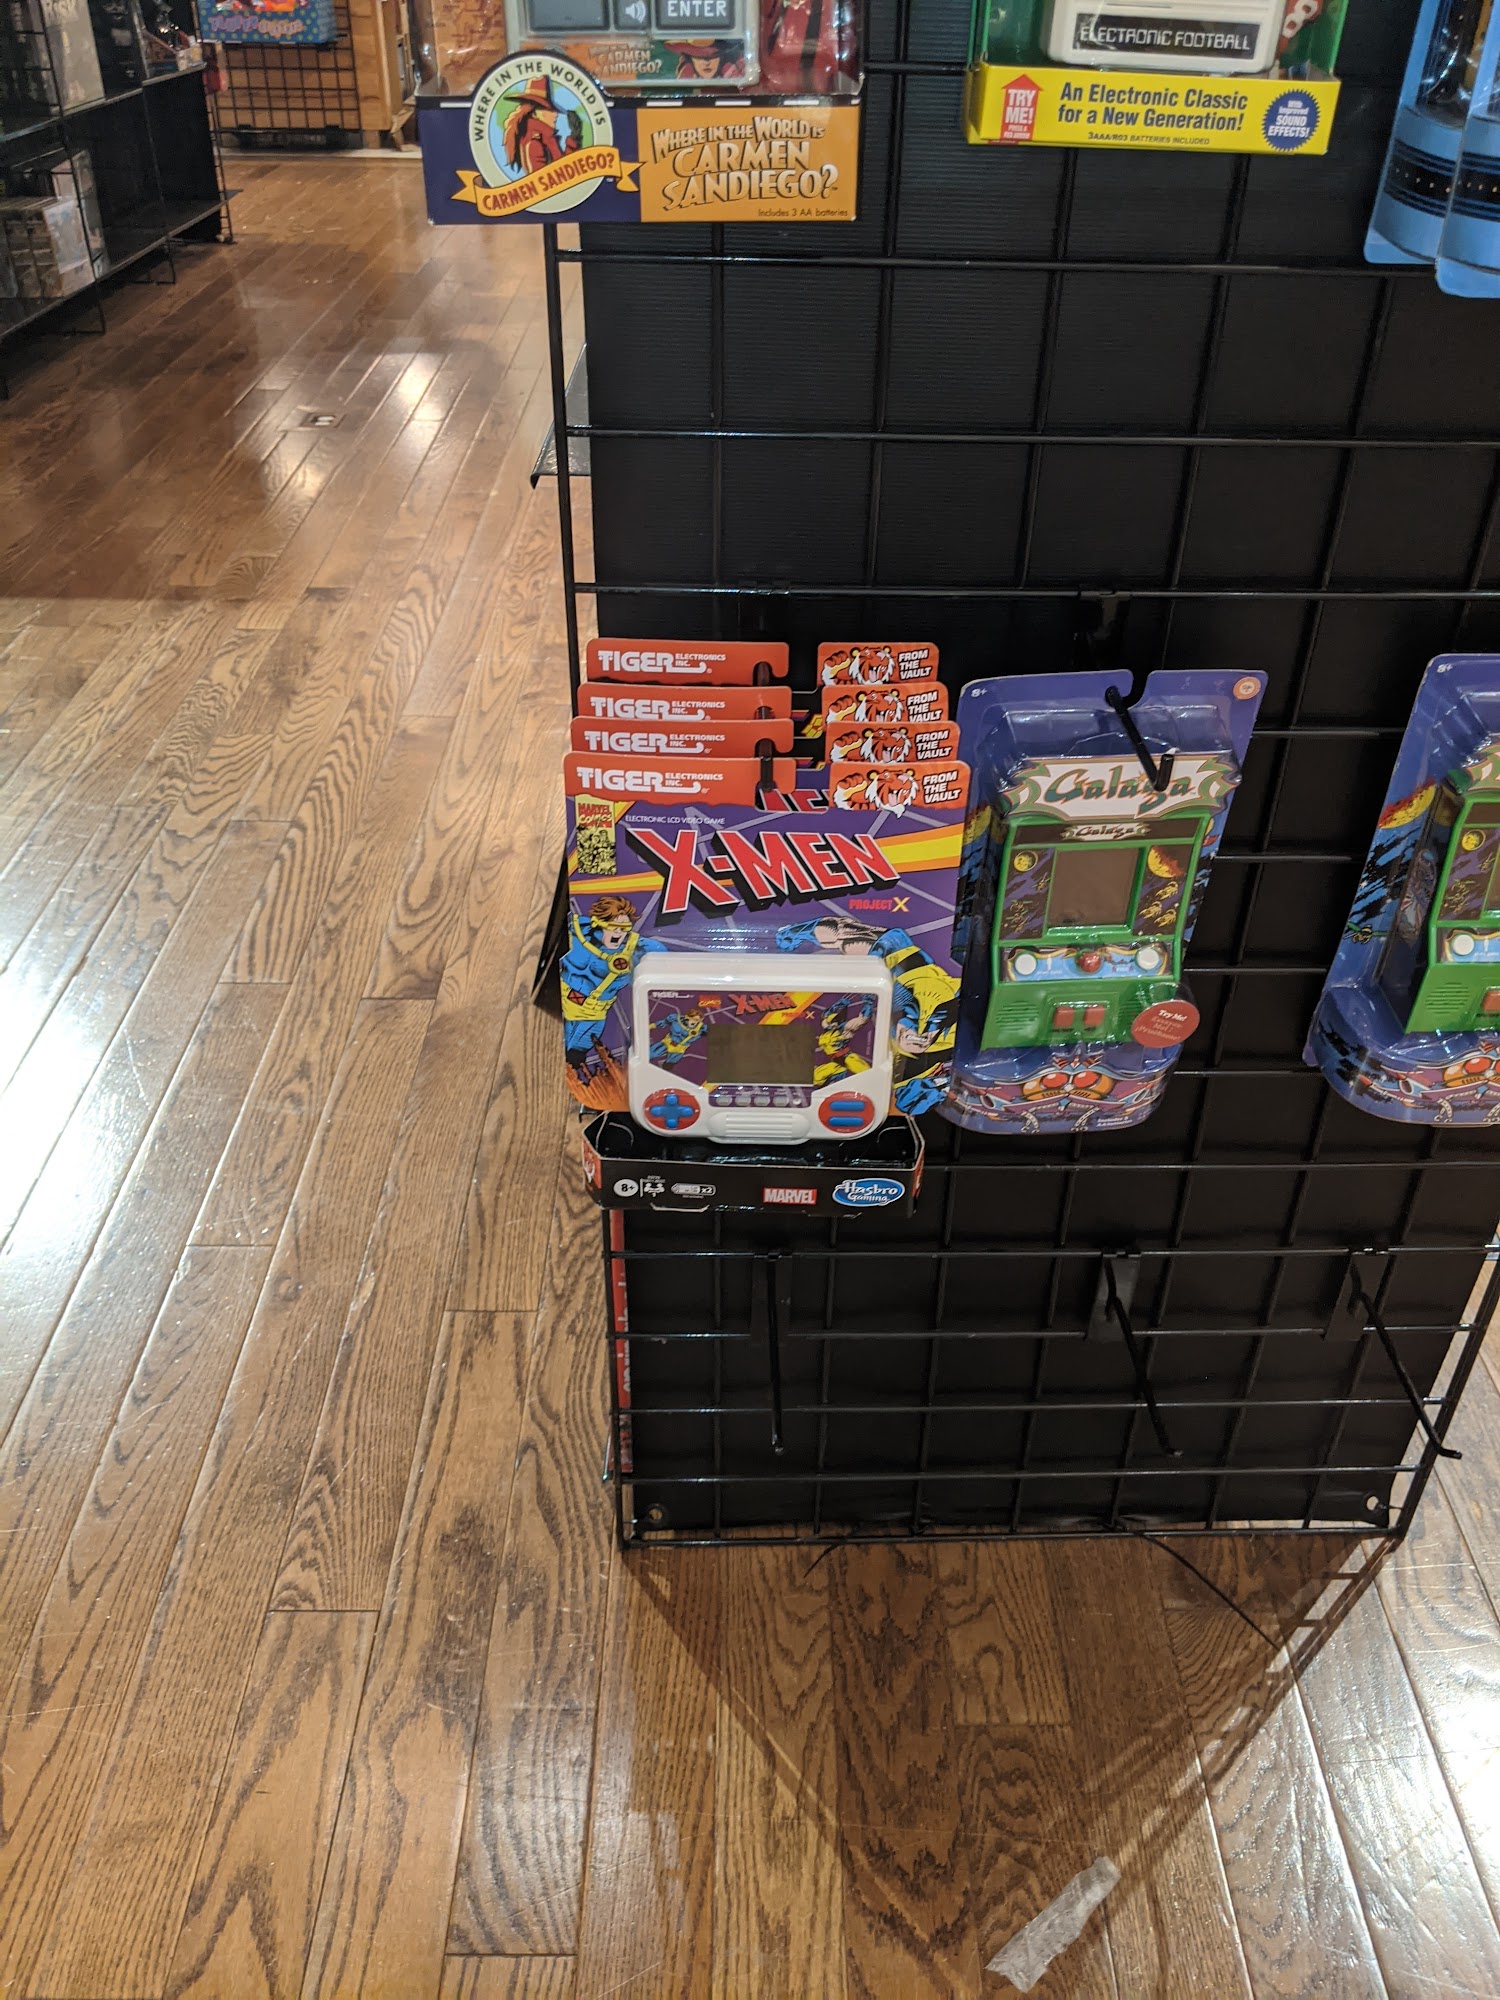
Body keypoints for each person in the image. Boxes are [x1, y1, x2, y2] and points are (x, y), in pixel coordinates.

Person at [560, 895, 664, 1082]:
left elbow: (663, 959)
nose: (619, 933)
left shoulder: (635, 948)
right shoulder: (576, 931)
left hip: (595, 1012)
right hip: (565, 999)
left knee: (577, 1053)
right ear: (599, 923)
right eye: (614, 927)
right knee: (563, 1049)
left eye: (624, 928)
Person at [502, 76, 581, 176]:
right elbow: (553, 178)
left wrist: (574, 138)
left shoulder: (547, 139)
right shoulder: (535, 143)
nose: (556, 114)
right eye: (550, 110)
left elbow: (562, 167)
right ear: (535, 113)